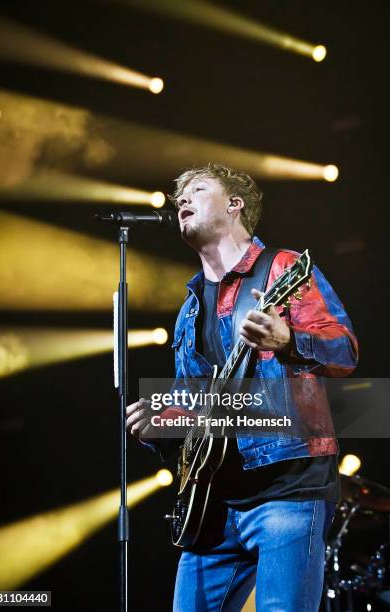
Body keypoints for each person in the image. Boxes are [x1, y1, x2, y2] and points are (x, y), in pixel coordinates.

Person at [126, 163, 358, 612]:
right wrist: (163, 422)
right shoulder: (190, 309)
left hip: (287, 490)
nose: (183, 201)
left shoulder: (282, 269)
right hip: (212, 504)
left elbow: (344, 350)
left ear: (235, 205)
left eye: (197, 190)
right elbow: (193, 402)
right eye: (180, 197)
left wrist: (287, 339)